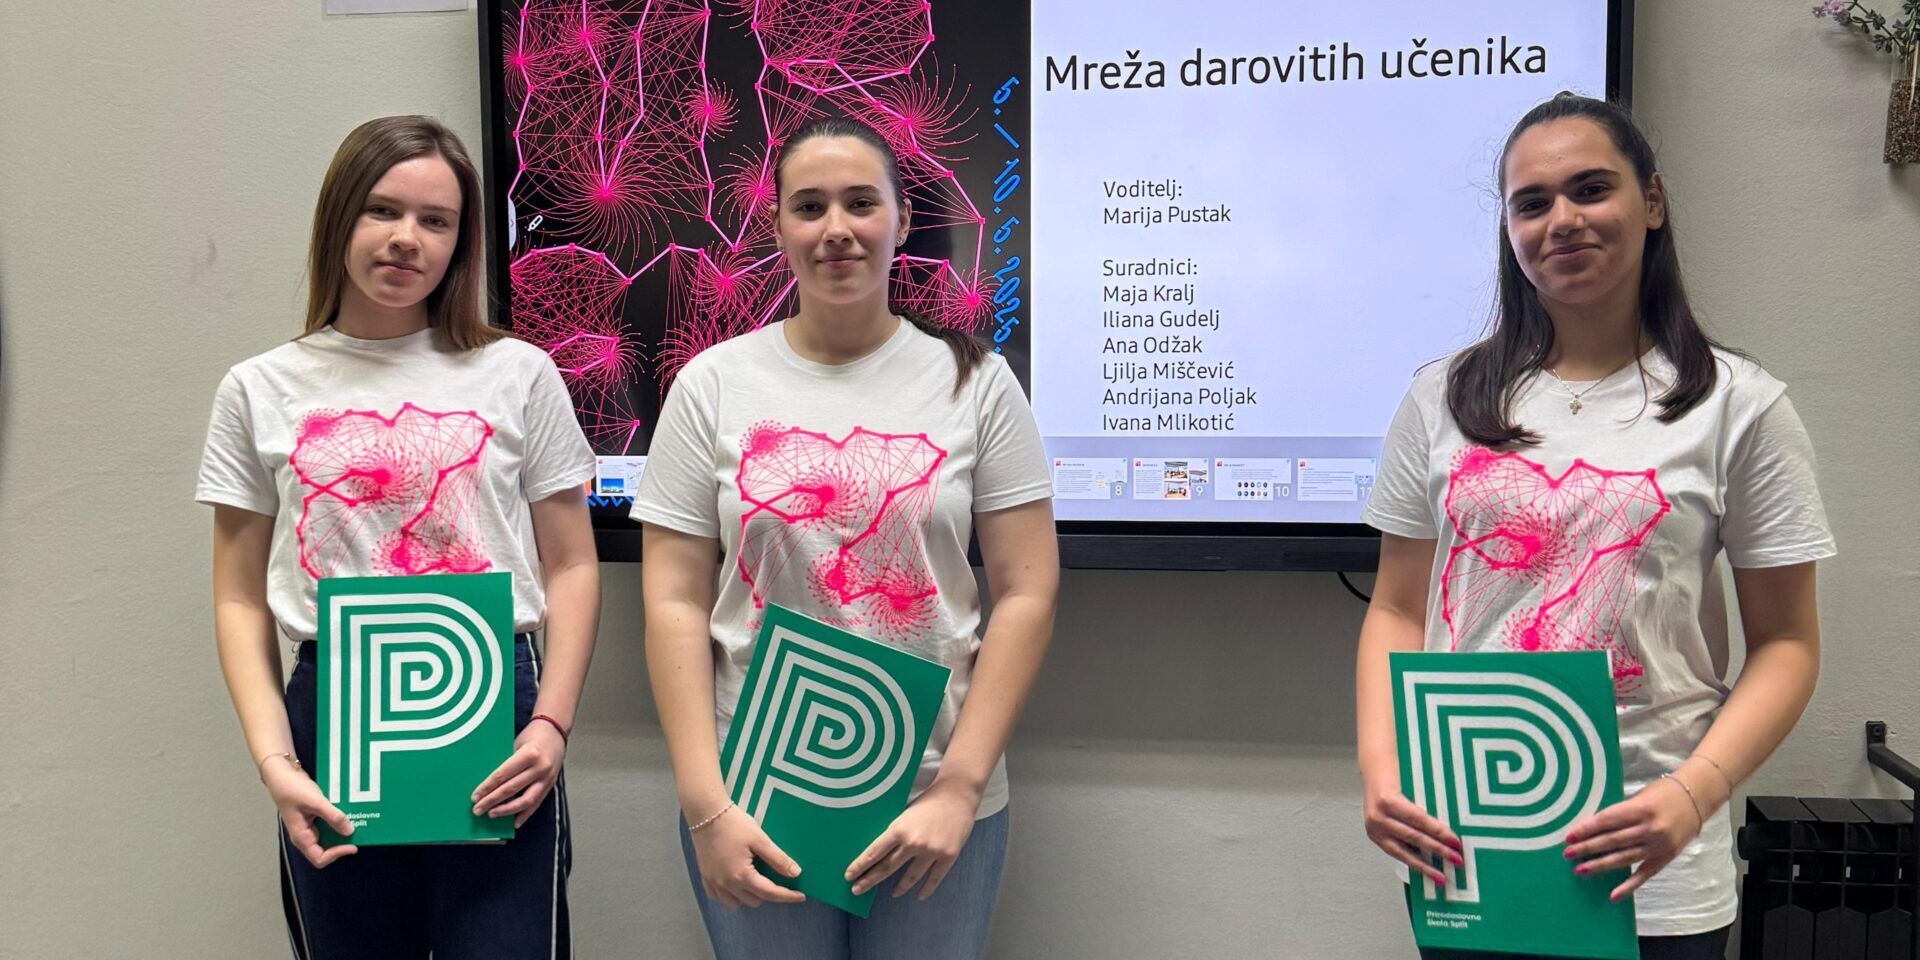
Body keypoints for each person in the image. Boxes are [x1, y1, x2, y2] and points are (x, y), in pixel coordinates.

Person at [1354, 93, 1834, 960]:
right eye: (1531, 203)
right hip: (1468, 850)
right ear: (1509, 229)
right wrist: (1383, 768)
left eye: (1590, 189)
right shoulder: (1441, 398)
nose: (1562, 221)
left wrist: (1693, 794)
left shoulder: (1740, 406)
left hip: (1656, 864)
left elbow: (1787, 644)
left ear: (1651, 200)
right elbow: (1394, 606)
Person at [632, 116, 1059, 960]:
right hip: (755, 798)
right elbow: (673, 602)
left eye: (861, 203)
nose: (837, 228)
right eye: (810, 206)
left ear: (902, 220)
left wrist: (960, 788)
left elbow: (1027, 592)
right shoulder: (711, 385)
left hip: (935, 800)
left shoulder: (977, 382)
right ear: (778, 226)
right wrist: (705, 804)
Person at [196, 115, 599, 958]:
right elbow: (237, 597)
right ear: (339, 216)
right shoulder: (259, 388)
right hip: (330, 714)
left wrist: (551, 726)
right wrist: (276, 763)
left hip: (498, 711)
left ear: (461, 242)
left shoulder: (519, 373)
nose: (406, 238)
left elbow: (570, 565)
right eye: (382, 210)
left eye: (435, 220)